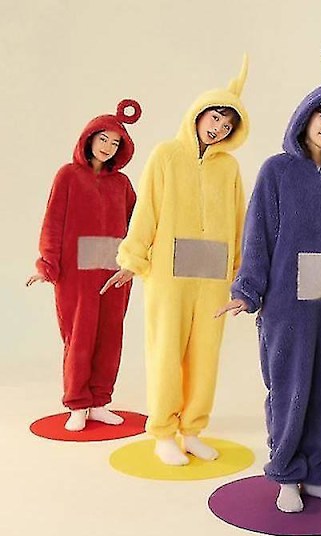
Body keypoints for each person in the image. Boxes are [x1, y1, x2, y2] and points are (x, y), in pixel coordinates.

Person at [217, 47, 321, 513]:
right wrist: (247, 290)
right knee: (290, 389)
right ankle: (285, 473)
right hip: (288, 304)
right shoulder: (277, 171)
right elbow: (258, 232)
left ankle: (317, 473)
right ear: (305, 116)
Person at [101, 57, 250, 466]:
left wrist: (240, 271)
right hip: (168, 273)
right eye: (216, 117)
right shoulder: (166, 155)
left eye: (227, 125)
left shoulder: (230, 167)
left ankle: (192, 429)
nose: (218, 128)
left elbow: (240, 220)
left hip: (213, 276)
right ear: (199, 113)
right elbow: (146, 210)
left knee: (205, 356)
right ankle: (164, 433)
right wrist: (132, 258)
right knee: (166, 352)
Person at [27, 100, 142, 432]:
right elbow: (53, 221)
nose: (108, 147)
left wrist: (137, 261)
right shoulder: (68, 175)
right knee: (79, 337)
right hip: (75, 273)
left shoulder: (122, 184)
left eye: (115, 143)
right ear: (89, 138)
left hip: (114, 271)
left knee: (110, 336)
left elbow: (137, 225)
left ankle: (100, 401)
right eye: (103, 139)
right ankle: (78, 403)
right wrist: (48, 263)